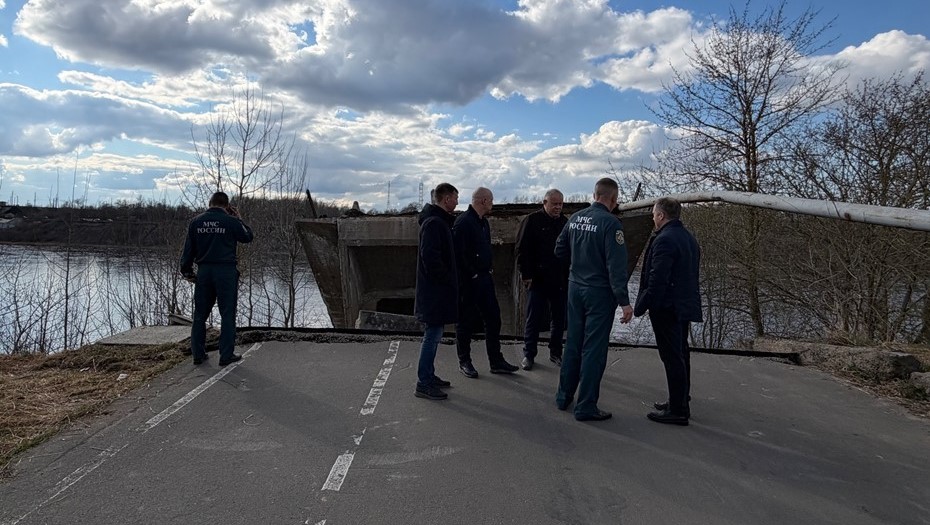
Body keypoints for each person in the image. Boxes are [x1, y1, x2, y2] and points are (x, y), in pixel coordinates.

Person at [554, 178, 633, 421]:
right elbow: (616, 267)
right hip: (599, 293)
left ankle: (563, 396)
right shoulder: (611, 225)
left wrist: (578, 265)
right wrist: (624, 302)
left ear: (594, 194)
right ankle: (586, 405)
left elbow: (559, 250)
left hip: (575, 288)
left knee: (573, 344)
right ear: (613, 199)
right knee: (594, 350)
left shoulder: (576, 218)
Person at [634, 197, 702, 426]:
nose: (653, 217)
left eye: (654, 214)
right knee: (681, 354)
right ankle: (679, 400)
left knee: (672, 357)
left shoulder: (664, 240)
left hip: (667, 307)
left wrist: (641, 306)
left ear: (661, 215)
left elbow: (657, 279)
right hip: (682, 305)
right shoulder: (688, 238)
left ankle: (678, 410)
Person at [180, 191, 254, 366]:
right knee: (227, 314)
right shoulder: (230, 221)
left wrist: (187, 271)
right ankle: (226, 355)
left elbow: (188, 250)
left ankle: (198, 354)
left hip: (204, 271)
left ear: (209, 203)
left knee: (200, 315)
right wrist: (239, 219)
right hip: (225, 271)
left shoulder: (196, 222)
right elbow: (247, 237)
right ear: (227, 206)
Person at [454, 187, 519, 378]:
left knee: (493, 319)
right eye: (491, 200)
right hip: (469, 282)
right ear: (483, 201)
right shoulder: (464, 222)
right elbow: (458, 254)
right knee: (465, 322)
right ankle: (464, 361)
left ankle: (496, 361)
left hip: (484, 279)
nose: (493, 203)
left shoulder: (483, 223)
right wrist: (472, 274)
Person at [413, 183, 460, 400]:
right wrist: (446, 279)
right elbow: (430, 258)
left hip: (436, 291)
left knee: (435, 334)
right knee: (431, 336)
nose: (458, 202)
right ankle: (424, 382)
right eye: (455, 198)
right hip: (435, 292)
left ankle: (429, 376)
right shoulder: (434, 224)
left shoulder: (439, 222)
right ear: (446, 198)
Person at [515, 189, 568, 370]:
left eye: (560, 204)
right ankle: (529, 354)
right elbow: (522, 249)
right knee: (533, 318)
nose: (558, 207)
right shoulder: (532, 221)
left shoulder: (564, 223)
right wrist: (526, 274)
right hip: (537, 278)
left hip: (559, 279)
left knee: (559, 319)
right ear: (545, 202)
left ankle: (555, 352)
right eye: (554, 204)